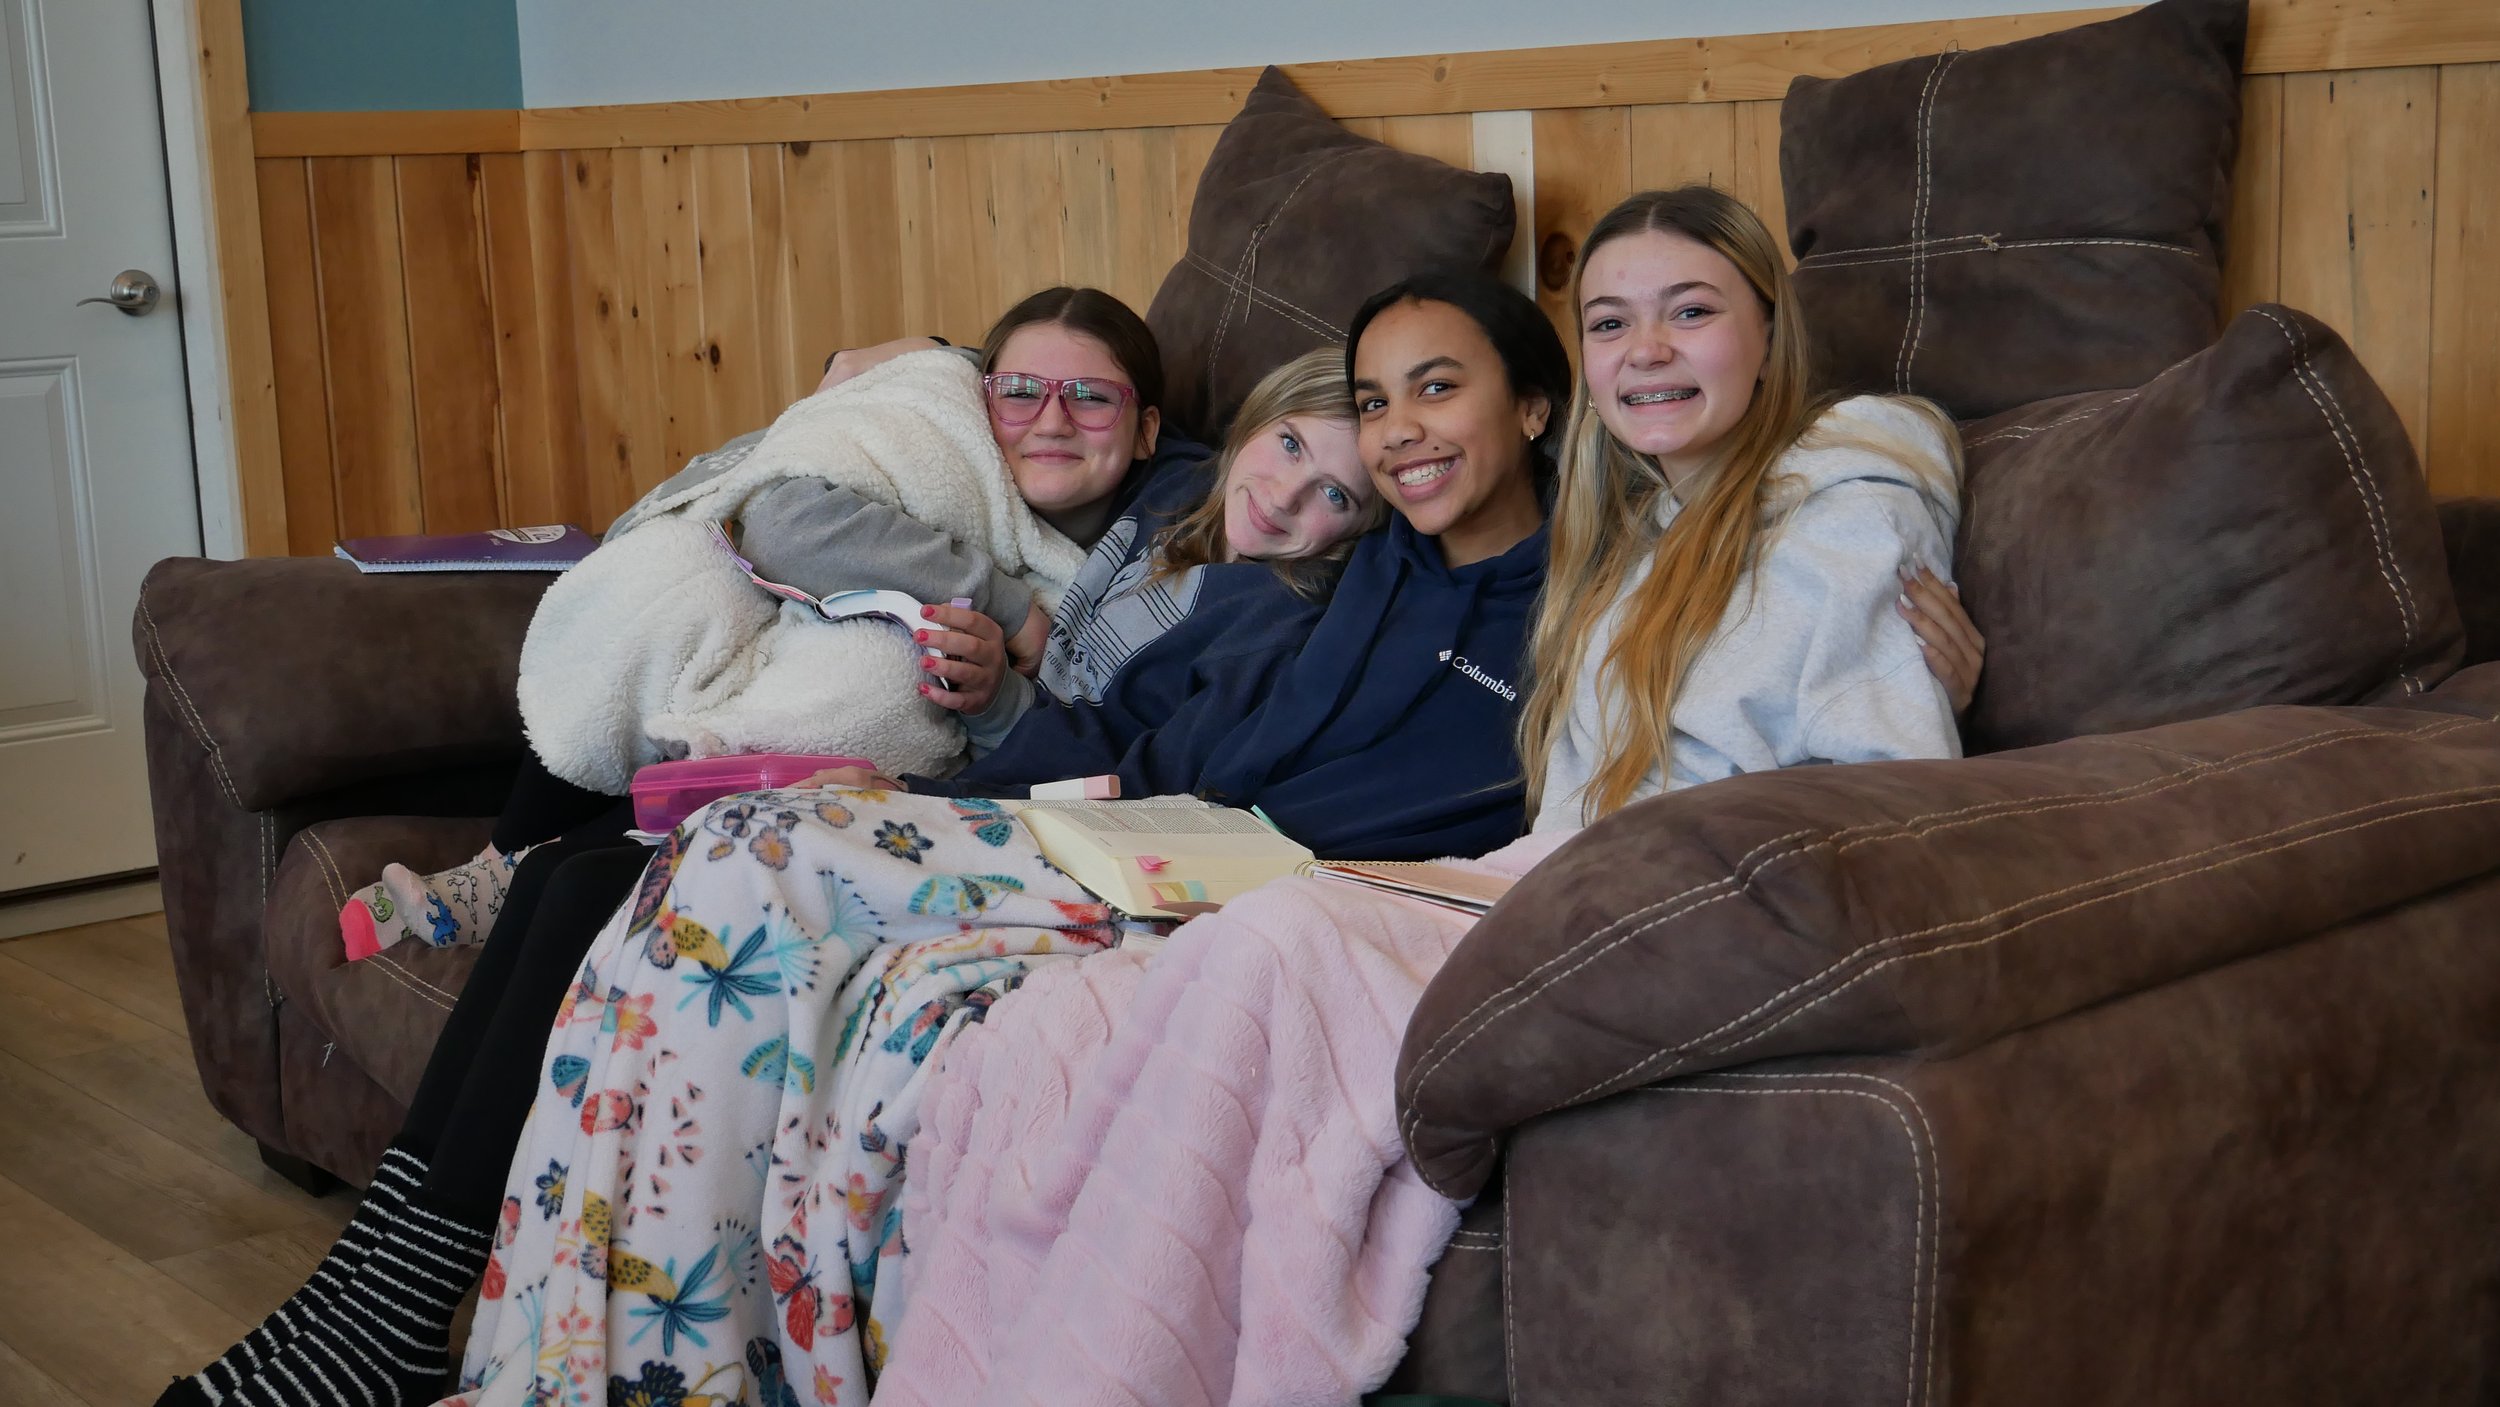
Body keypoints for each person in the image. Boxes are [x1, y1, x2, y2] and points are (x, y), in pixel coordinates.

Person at [149, 288, 1215, 1407]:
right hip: (791, 784)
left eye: (1090, 398)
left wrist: (1002, 691)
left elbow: (1120, 748)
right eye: (1018, 391)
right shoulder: (952, 457)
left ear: (1148, 429)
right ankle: (365, 1309)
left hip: (930, 819)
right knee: (565, 873)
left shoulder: (1171, 543)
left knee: (582, 888)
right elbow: (809, 495)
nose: (1049, 418)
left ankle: (383, 1326)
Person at [1523, 185, 1968, 828]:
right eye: (1610, 323)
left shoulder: (1852, 516)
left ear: (1770, 335)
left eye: (1691, 312)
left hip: (1692, 902)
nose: (1646, 351)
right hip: (1556, 885)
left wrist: (1919, 696)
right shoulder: (1624, 544)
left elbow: (1893, 804)